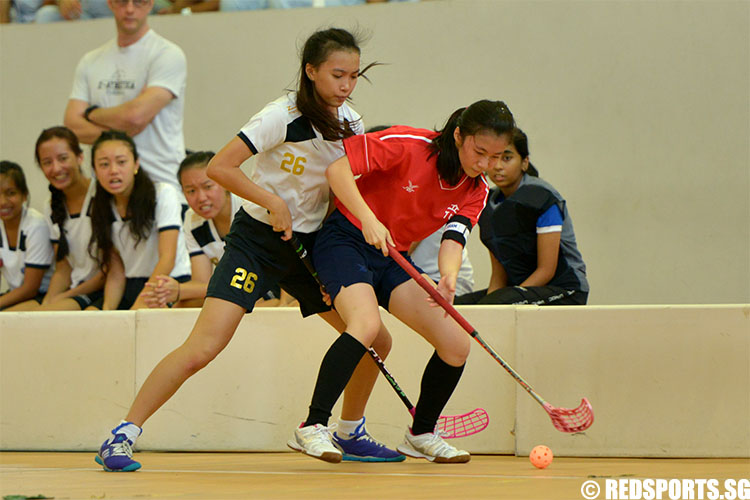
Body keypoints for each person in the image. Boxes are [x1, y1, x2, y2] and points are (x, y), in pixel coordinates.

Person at [94, 28, 403, 473]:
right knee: (203, 347)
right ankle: (122, 435)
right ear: (311, 71)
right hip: (257, 242)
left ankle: (350, 430)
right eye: (338, 74)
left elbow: (343, 186)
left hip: (311, 246)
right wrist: (271, 201)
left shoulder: (350, 123)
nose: (346, 85)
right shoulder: (280, 115)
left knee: (375, 337)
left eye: (354, 76)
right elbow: (221, 167)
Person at [288, 99, 516, 464]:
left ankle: (421, 433)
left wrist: (448, 277)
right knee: (366, 325)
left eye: (498, 156)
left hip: (393, 256)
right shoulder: (409, 144)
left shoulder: (477, 189)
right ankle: (312, 425)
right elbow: (337, 170)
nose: (487, 164)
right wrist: (367, 218)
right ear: (458, 136)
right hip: (346, 239)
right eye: (480, 152)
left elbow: (454, 238)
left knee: (456, 344)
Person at [63, 0, 187, 199]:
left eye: (138, 2)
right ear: (110, 3)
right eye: (122, 1)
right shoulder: (91, 60)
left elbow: (134, 117)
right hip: (107, 192)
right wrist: (125, 128)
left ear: (150, 4)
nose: (129, 9)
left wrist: (91, 113)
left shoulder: (167, 54)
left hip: (160, 184)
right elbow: (72, 126)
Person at [454, 128, 589, 306]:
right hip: (517, 290)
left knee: (499, 303)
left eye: (507, 158)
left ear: (525, 162)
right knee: (456, 307)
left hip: (565, 289)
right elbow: (499, 272)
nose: (497, 166)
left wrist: (512, 298)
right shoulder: (486, 204)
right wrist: (489, 304)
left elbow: (546, 270)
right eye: (493, 158)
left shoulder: (543, 198)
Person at [140, 151, 290, 308]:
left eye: (208, 187)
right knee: (184, 305)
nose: (201, 197)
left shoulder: (250, 208)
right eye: (191, 191)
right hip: (237, 288)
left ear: (225, 184)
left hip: (273, 289)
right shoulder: (192, 220)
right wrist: (173, 292)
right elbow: (202, 283)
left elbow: (288, 255)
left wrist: (179, 289)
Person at [88, 130, 190, 311]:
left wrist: (138, 306)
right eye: (104, 164)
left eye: (121, 162)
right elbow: (116, 270)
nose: (113, 171)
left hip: (165, 283)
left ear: (136, 164)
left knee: (142, 324)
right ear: (95, 170)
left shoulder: (163, 193)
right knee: (93, 318)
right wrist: (107, 312)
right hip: (130, 285)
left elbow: (168, 258)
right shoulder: (101, 206)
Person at [8, 127, 105, 312]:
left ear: (80, 157)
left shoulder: (102, 196)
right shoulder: (52, 205)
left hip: (101, 290)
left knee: (39, 322)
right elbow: (63, 268)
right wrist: (49, 301)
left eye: (63, 158)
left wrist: (60, 298)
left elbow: (109, 271)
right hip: (74, 289)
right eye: (47, 162)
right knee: (12, 320)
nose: (56, 168)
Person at [0, 161, 54, 310]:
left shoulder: (36, 226)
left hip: (41, 295)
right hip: (15, 294)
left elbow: (30, 288)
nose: (2, 202)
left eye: (10, 193)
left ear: (24, 195)